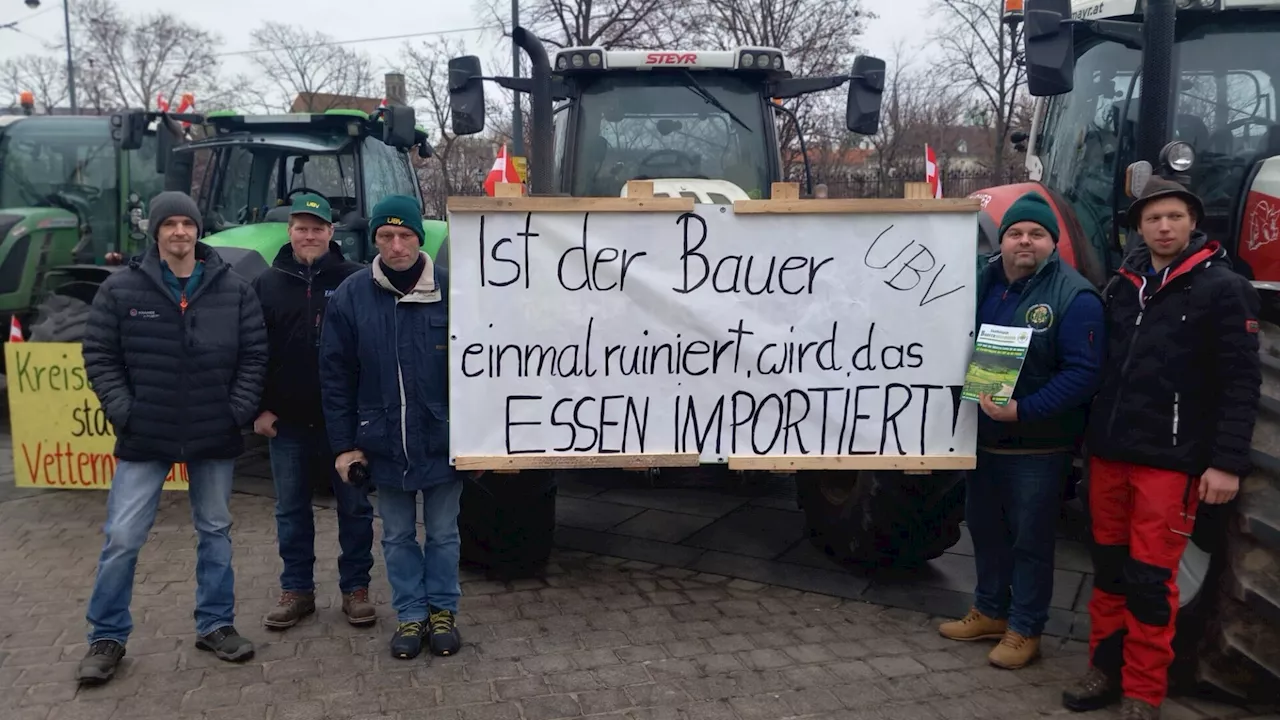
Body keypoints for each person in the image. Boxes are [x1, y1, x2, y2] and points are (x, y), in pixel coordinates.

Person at [1062, 179, 1262, 720]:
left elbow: (1242, 383)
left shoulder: (1223, 288)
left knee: (1151, 581)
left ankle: (1142, 691)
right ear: (1140, 227)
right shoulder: (1123, 287)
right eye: (1153, 219)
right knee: (1108, 572)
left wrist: (1226, 463)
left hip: (1168, 463)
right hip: (1109, 453)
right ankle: (1104, 669)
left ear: (1192, 222)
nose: (1165, 227)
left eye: (1174, 217)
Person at [76, 190, 268, 684]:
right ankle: (107, 636)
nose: (180, 231)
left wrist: (235, 412)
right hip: (147, 432)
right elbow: (99, 353)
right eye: (170, 224)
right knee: (122, 538)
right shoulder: (122, 290)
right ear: (156, 232)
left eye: (187, 223)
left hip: (213, 431)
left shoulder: (234, 288)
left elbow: (254, 355)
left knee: (215, 531)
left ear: (198, 229)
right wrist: (125, 411)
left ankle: (216, 624)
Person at [939, 191, 1106, 670]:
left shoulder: (1075, 297)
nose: (1025, 242)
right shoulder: (980, 282)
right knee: (986, 531)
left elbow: (1083, 374)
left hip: (1038, 445)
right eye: (1015, 233)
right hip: (983, 438)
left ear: (1052, 242)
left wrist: (1025, 409)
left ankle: (1025, 627)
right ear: (1003, 240)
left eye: (1036, 234)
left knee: (1030, 541)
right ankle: (989, 610)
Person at [319, 194, 464, 661]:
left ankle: (442, 612)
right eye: (386, 236)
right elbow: (336, 376)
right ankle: (410, 613)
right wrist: (344, 446)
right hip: (381, 442)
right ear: (374, 238)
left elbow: (479, 370)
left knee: (443, 534)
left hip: (442, 438)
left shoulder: (453, 291)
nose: (396, 245)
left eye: (405, 236)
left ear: (420, 238)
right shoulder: (351, 295)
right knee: (398, 535)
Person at [251, 193, 376, 631]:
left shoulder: (354, 280)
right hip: (286, 423)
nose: (309, 235)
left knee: (355, 508)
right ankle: (297, 590)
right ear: (289, 232)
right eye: (301, 227)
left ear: (331, 232)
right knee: (290, 509)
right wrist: (260, 408)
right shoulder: (266, 283)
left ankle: (355, 589)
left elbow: (370, 352)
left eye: (318, 227)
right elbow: (253, 352)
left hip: (344, 425)